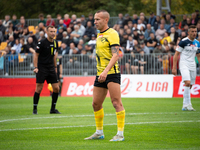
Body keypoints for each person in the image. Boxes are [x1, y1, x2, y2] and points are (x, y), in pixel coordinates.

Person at [84, 10, 125, 141]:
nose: (94, 21)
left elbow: (116, 55)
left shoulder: (112, 33)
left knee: (116, 102)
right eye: (94, 19)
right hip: (100, 74)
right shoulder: (99, 35)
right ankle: (99, 132)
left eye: (97, 19)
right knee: (96, 104)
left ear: (106, 20)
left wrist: (106, 71)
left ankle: (120, 134)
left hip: (111, 73)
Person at [33, 25, 60, 115]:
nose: (53, 33)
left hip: (51, 68)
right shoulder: (42, 43)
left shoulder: (56, 43)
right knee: (39, 88)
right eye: (51, 31)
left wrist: (55, 67)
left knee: (56, 88)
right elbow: (36, 55)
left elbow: (54, 56)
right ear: (47, 32)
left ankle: (53, 108)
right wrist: (36, 67)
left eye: (54, 31)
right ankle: (35, 108)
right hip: (42, 68)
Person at [172, 25, 200, 111]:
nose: (194, 33)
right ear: (189, 32)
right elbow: (176, 54)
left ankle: (185, 105)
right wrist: (174, 67)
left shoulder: (197, 43)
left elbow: (198, 55)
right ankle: (188, 105)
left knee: (190, 85)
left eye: (195, 31)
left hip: (192, 65)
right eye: (192, 31)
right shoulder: (183, 42)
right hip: (184, 64)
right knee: (187, 82)